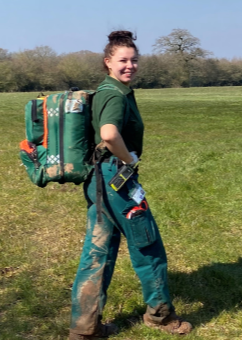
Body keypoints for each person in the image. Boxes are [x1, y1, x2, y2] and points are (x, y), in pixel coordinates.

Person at [68, 31, 192, 339]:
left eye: (134, 60)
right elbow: (109, 134)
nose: (130, 66)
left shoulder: (107, 90)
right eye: (123, 60)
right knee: (148, 245)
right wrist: (130, 159)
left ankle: (84, 329)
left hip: (98, 181)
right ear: (107, 62)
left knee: (97, 252)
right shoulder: (114, 95)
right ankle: (160, 316)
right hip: (117, 182)